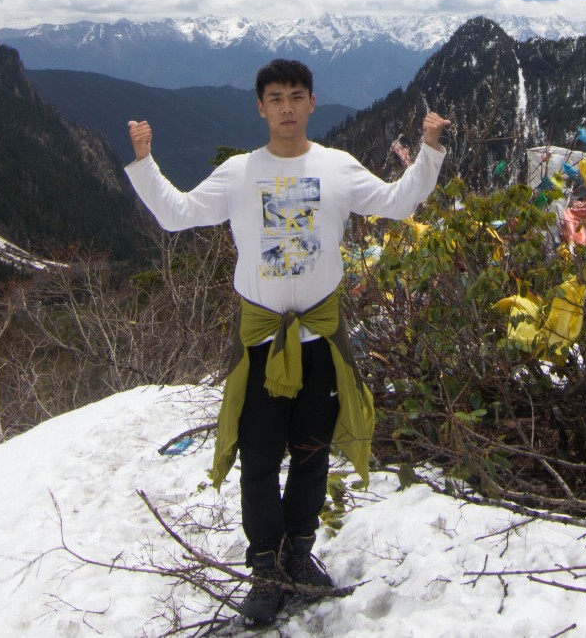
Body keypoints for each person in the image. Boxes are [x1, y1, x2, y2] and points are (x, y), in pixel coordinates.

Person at [125, 58, 448, 627]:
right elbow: (177, 215)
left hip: (320, 334)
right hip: (261, 340)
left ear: (312, 103)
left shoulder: (338, 168)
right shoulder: (240, 174)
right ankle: (266, 567)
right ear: (261, 107)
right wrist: (146, 162)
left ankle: (297, 554)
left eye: (296, 96)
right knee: (258, 455)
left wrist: (429, 148)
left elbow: (399, 203)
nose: (287, 108)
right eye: (275, 98)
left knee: (311, 450)